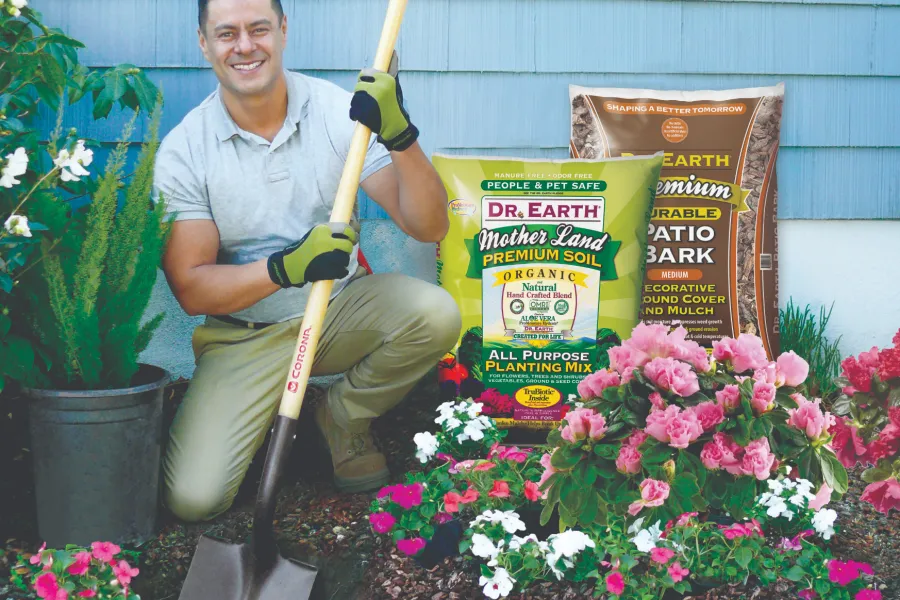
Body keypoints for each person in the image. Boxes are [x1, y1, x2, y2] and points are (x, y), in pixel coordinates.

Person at [152, 0, 461, 522]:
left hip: (339, 312)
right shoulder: (186, 151)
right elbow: (192, 289)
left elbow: (428, 226)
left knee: (435, 314)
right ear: (204, 44)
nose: (245, 46)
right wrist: (285, 267)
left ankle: (342, 418)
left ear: (283, 31)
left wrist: (401, 135)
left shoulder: (336, 112)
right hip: (244, 334)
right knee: (194, 499)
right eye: (226, 34)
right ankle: (252, 412)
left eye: (259, 29)